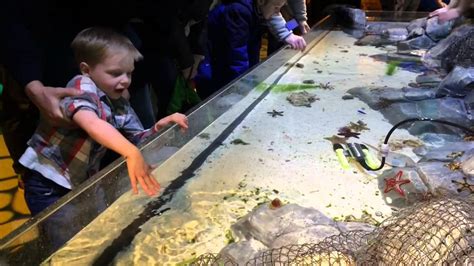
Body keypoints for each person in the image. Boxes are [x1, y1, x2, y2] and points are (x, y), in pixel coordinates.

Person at [18, 27, 189, 215]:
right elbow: (91, 123)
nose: (125, 81)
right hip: (49, 183)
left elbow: (137, 138)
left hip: (83, 181)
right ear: (86, 70)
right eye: (115, 73)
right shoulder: (82, 87)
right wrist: (131, 153)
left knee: (98, 222)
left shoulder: (119, 103)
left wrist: (158, 127)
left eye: (129, 73)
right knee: (67, 237)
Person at [207, 0, 295, 91]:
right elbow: (237, 51)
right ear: (261, 1)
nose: (277, 13)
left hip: (237, 46)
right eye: (276, 7)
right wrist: (242, 81)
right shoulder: (239, 10)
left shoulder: (258, 10)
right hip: (216, 52)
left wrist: (253, 72)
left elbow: (253, 46)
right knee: (218, 80)